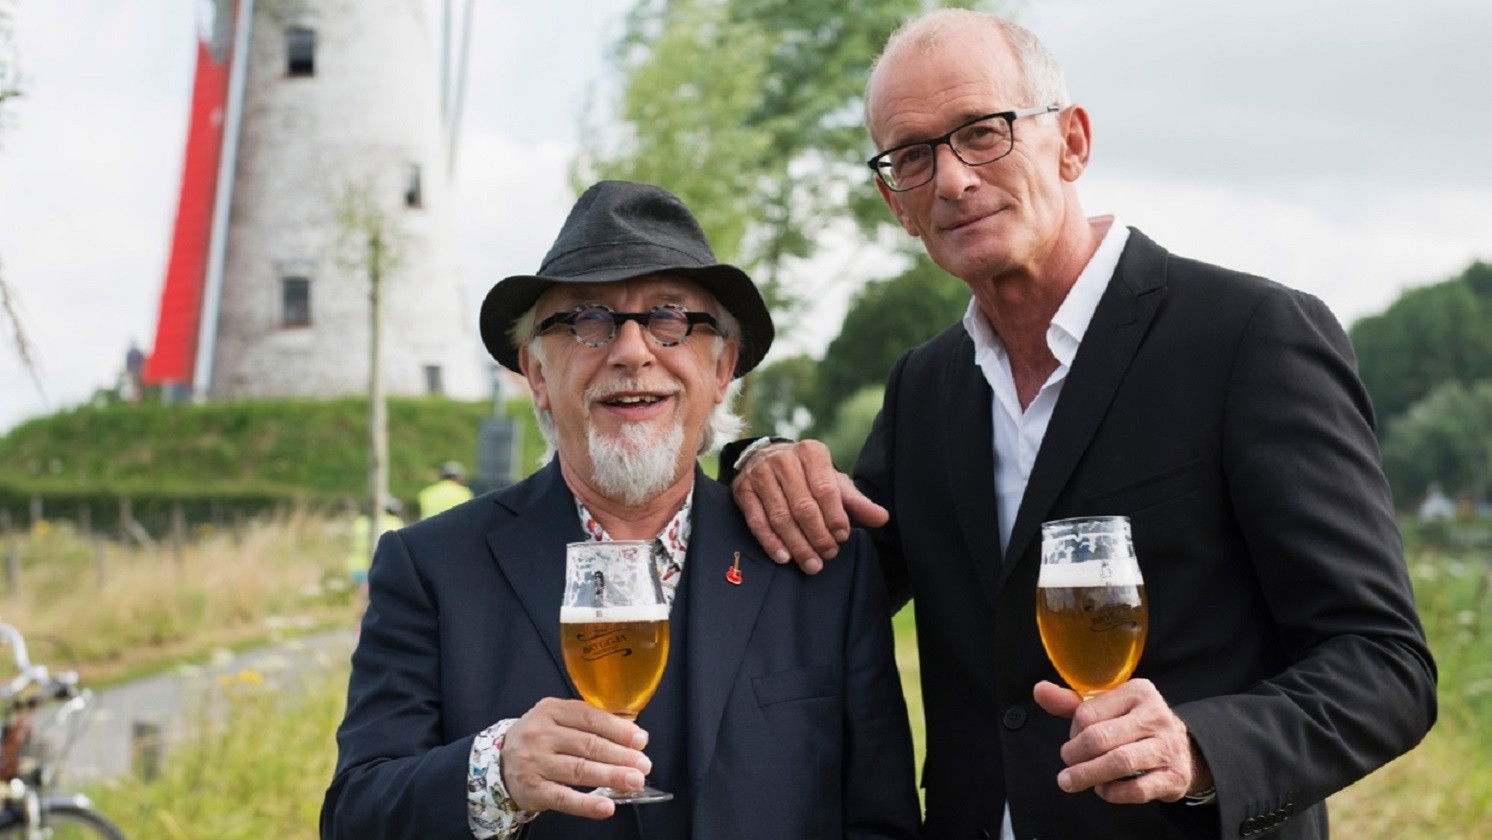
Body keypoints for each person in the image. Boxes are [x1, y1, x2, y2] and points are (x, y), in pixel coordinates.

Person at [723, 10, 1436, 840]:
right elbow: (828, 582)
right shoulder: (925, 386)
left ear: (1071, 143)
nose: (952, 180)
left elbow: (1385, 665)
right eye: (912, 155)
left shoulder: (1248, 336)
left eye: (982, 132)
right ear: (895, 203)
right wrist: (756, 458)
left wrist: (1200, 748)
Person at [321, 181, 919, 840]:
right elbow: (356, 816)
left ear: (723, 369)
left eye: (670, 318)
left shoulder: (819, 560)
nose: (632, 352)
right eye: (587, 320)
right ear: (537, 374)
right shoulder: (431, 566)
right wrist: (497, 773)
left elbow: (881, 823)